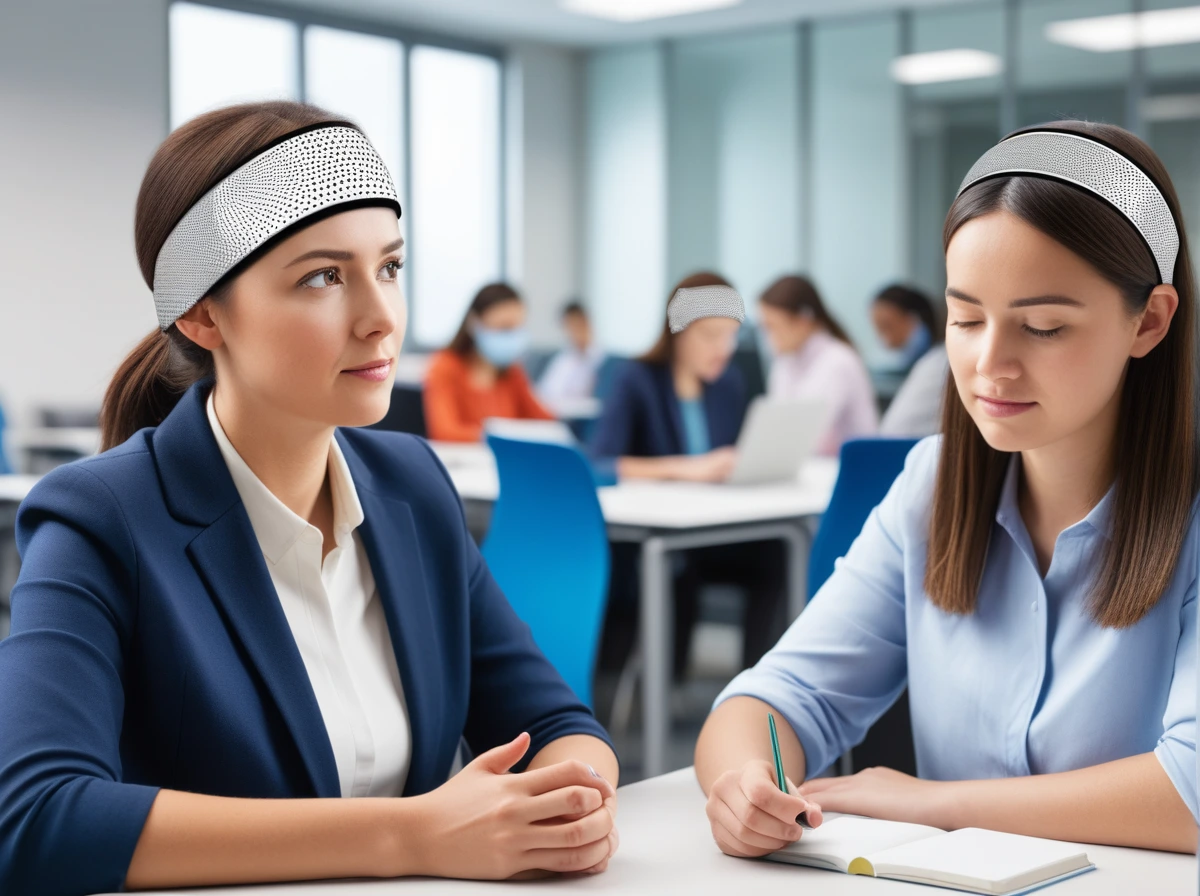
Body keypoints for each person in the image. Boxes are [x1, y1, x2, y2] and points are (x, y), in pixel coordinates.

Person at [0, 102, 619, 896]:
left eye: (389, 268)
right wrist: (412, 834)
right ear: (200, 312)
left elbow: (559, 727)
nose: (381, 319)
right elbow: (36, 818)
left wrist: (573, 797)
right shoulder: (99, 516)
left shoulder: (412, 486)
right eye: (323, 277)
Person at [694, 121, 1200, 857]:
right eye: (965, 318)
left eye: (1044, 327)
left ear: (1148, 321)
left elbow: (1189, 794)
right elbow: (777, 698)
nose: (990, 365)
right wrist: (746, 787)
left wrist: (935, 805)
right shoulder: (931, 487)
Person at [590, 272, 787, 679]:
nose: (724, 349)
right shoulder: (637, 379)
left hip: (712, 526)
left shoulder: (728, 384)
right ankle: (665, 679)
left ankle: (757, 684)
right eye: (711, 335)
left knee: (776, 555)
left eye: (731, 336)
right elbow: (600, 463)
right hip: (655, 536)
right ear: (677, 331)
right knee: (679, 568)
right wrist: (687, 469)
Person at [758, 275, 878, 456]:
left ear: (803, 321)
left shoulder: (838, 361)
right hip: (812, 469)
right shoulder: (785, 363)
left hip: (846, 470)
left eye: (771, 326)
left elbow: (803, 435)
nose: (767, 337)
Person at [423, 283, 556, 442]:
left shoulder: (512, 372)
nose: (512, 336)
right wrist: (502, 439)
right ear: (474, 323)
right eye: (504, 327)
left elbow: (547, 422)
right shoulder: (445, 366)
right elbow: (444, 432)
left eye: (518, 328)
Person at [872, 284, 950, 438]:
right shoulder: (930, 363)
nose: (886, 342)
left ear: (915, 320)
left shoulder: (937, 365)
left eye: (888, 326)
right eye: (879, 329)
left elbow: (892, 434)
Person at [538, 301, 606, 406]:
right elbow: (547, 390)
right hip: (553, 409)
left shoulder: (602, 360)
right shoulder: (564, 358)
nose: (572, 332)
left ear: (586, 323)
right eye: (567, 326)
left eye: (575, 325)